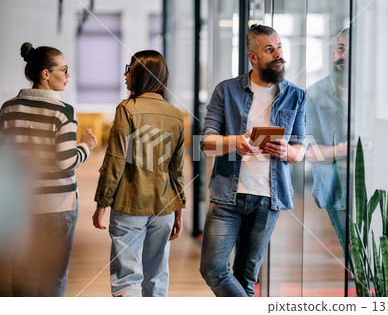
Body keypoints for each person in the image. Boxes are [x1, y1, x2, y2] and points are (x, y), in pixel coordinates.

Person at [199, 24, 306, 297]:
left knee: (246, 279)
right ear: (253, 57)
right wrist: (235, 142)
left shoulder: (296, 96)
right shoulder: (226, 91)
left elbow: (301, 150)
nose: (278, 54)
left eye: (279, 47)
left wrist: (287, 152)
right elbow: (207, 141)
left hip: (268, 199)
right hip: (227, 196)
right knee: (213, 269)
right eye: (269, 49)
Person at [0, 42, 98, 296]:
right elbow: (65, 161)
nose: (67, 76)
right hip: (58, 207)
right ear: (45, 74)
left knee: (22, 278)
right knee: (53, 279)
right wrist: (85, 146)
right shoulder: (62, 111)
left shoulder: (7, 109)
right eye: (63, 70)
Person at [93, 50, 185, 297]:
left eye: (129, 69)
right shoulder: (176, 116)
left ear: (141, 75)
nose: (125, 74)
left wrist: (102, 203)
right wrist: (179, 210)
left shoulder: (126, 109)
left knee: (127, 279)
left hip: (129, 205)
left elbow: (115, 160)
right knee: (156, 277)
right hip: (164, 207)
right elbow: (177, 170)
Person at [305, 29, 350, 249]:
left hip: (372, 188)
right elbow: (310, 152)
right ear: (333, 52)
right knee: (355, 259)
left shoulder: (368, 93)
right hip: (336, 191)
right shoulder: (314, 94)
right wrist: (344, 150)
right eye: (341, 49)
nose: (345, 55)